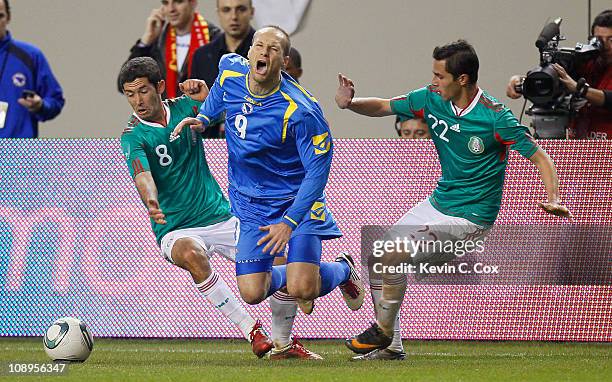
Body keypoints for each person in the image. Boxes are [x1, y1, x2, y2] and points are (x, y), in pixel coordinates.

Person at [336, 40, 572, 360]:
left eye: (440, 76)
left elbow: (541, 158)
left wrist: (554, 198)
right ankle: (391, 347)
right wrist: (351, 102)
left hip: (471, 219)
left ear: (462, 79)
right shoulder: (432, 98)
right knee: (380, 256)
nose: (433, 81)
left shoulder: (495, 118)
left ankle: (383, 331)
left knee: (392, 257)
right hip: (439, 202)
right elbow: (384, 105)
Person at [172, 26, 366, 359]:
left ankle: (343, 270)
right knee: (252, 292)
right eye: (258, 46)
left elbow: (318, 174)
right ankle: (300, 274)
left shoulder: (302, 111)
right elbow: (220, 91)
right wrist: (203, 118)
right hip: (250, 205)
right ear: (249, 53)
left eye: (273, 49)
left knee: (304, 286)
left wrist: (289, 222)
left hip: (296, 203)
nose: (263, 52)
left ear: (284, 61)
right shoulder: (231, 68)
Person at [118, 57, 272, 359]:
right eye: (130, 94)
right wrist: (151, 201)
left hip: (220, 216)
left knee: (286, 270)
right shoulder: (133, 135)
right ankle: (251, 329)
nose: (137, 100)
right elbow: (142, 175)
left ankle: (339, 272)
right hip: (175, 228)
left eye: (143, 91)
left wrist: (206, 94)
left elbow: (238, 112)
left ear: (160, 86)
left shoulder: (185, 108)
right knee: (191, 254)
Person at [507, 9, 612, 139]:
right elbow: (555, 80)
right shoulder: (588, 63)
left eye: (611, 40)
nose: (605, 46)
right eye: (599, 40)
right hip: (581, 146)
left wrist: (581, 90)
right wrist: (520, 81)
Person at [122, 0, 220, 98]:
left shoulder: (214, 38)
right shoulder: (158, 40)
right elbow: (124, 83)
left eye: (178, 2)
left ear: (193, 2)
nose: (171, 9)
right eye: (165, 3)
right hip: (168, 111)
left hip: (202, 111)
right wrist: (146, 42)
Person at [191, 0, 256, 138]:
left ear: (252, 12)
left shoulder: (267, 55)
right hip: (210, 143)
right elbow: (193, 105)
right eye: (226, 10)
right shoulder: (201, 56)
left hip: (255, 145)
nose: (234, 16)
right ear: (218, 13)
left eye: (241, 9)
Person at [0, 0, 64, 138]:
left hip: (18, 154)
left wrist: (40, 106)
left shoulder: (31, 56)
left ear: (8, 18)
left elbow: (56, 100)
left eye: (0, 16)